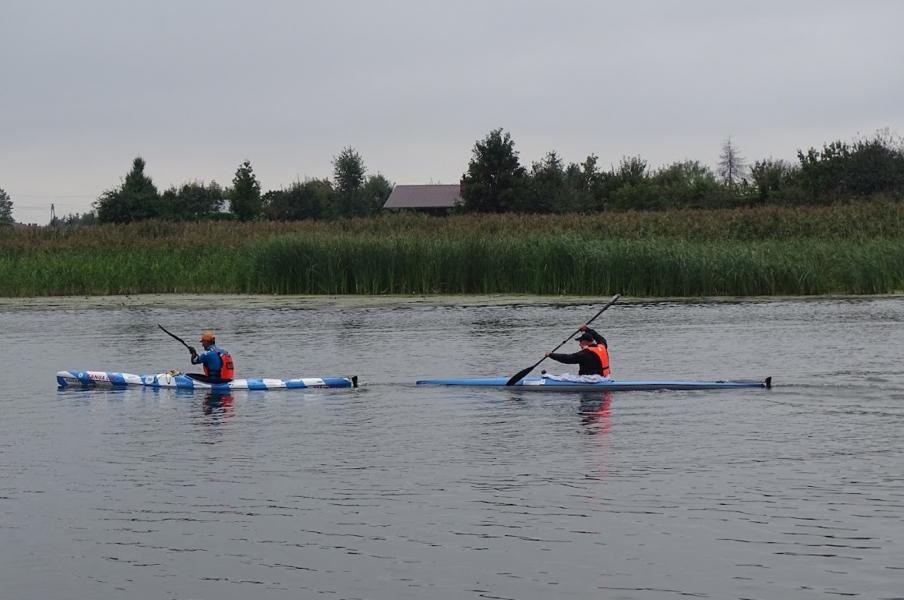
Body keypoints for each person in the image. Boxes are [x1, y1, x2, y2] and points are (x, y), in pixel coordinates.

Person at [545, 324, 611, 377]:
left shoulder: (585, 354)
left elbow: (567, 358)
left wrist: (551, 355)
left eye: (580, 342)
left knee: (563, 377)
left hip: (590, 381)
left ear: (585, 342)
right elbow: (599, 337)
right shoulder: (602, 347)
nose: (579, 344)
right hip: (605, 378)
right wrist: (587, 329)